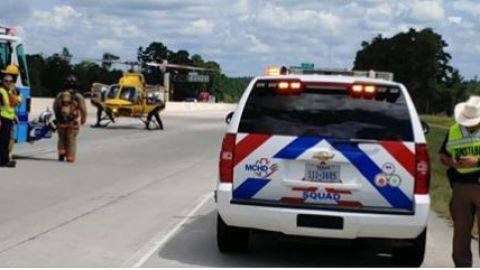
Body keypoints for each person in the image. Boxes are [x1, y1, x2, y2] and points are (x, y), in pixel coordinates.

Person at [439, 95, 480, 267]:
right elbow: (442, 155)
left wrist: (477, 161)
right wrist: (452, 162)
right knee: (461, 233)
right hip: (460, 187)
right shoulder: (454, 130)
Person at [53, 75, 87, 163]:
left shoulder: (60, 95)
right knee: (71, 139)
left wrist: (57, 118)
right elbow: (83, 109)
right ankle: (70, 157)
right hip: (73, 123)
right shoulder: (78, 97)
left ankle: (61, 153)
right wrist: (83, 118)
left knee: (61, 138)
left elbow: (55, 107)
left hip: (61, 122)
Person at [2, 65, 22, 162]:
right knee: (8, 138)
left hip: (10, 116)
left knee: (8, 138)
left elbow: (14, 104)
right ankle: (6, 157)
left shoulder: (11, 88)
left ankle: (6, 157)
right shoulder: (10, 89)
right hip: (6, 117)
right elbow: (14, 103)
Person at [0, 74, 17, 167]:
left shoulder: (9, 91)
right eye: (6, 81)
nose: (8, 83)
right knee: (3, 140)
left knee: (6, 140)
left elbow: (11, 106)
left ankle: (5, 160)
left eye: (10, 81)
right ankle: (2, 161)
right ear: (2, 81)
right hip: (3, 118)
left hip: (9, 118)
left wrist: (14, 116)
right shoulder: (1, 91)